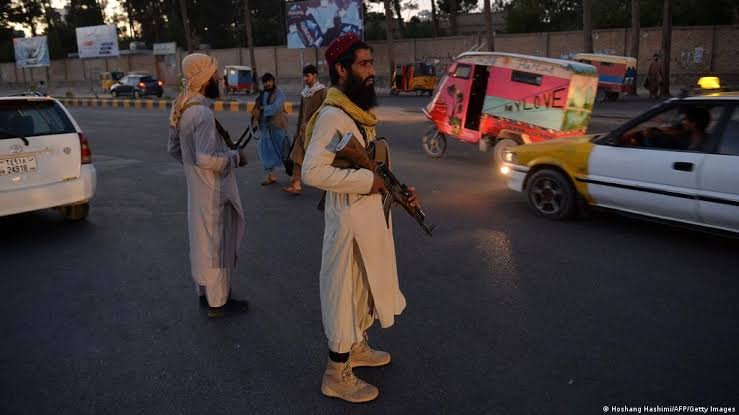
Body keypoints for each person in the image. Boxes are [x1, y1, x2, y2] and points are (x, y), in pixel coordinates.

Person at [302, 32, 419, 403]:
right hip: (348, 221)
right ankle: (336, 373)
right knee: (342, 290)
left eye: (372, 63)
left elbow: (370, 163)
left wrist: (396, 190)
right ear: (341, 69)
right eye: (364, 64)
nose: (372, 71)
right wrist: (367, 182)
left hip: (368, 217)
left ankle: (356, 346)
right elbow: (311, 172)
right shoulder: (332, 116)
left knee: (363, 288)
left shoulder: (356, 113)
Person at [167, 53, 249, 318]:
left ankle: (205, 293)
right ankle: (218, 301)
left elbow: (173, 149)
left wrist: (193, 172)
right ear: (205, 79)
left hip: (198, 189)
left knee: (202, 241)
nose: (219, 79)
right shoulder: (201, 113)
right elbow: (205, 158)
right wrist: (235, 158)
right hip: (213, 190)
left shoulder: (182, 106)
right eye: (215, 75)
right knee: (217, 244)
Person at [283, 64, 327, 195]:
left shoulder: (322, 92)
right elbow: (301, 115)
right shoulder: (304, 93)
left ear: (315, 76)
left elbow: (327, 112)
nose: (305, 79)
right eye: (304, 76)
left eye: (308, 76)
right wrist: (297, 132)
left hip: (317, 132)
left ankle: (328, 184)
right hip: (303, 131)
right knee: (297, 155)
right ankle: (296, 184)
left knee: (319, 159)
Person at [252, 73, 288, 186]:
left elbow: (275, 108)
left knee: (283, 152)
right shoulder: (262, 94)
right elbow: (256, 108)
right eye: (265, 82)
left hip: (277, 126)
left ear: (273, 81)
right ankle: (271, 176)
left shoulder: (279, 93)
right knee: (266, 152)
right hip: (265, 127)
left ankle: (294, 176)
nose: (268, 84)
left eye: (269, 81)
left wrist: (263, 108)